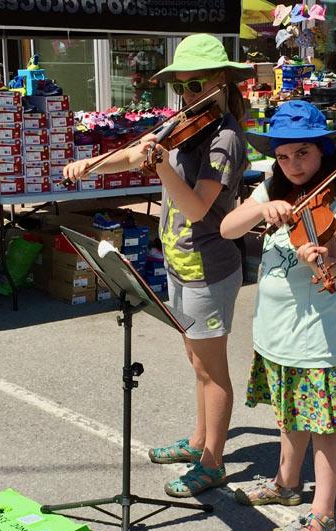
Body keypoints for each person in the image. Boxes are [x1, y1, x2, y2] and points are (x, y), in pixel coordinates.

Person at [63, 34, 255, 497]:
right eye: (182, 86)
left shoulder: (225, 138)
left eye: (198, 84)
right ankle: (197, 440)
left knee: (213, 370)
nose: (188, 95)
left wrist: (163, 167)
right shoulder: (186, 123)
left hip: (208, 267)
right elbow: (135, 153)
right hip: (179, 262)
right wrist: (91, 165)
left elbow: (195, 208)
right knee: (195, 360)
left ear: (222, 81)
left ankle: (213, 462)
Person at [220, 101, 336, 531]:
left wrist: (319, 258)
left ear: (322, 152)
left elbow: (335, 268)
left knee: (324, 426)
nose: (293, 164)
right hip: (274, 329)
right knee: (289, 414)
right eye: (283, 156)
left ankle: (324, 513)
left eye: (303, 153)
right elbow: (226, 227)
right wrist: (265, 209)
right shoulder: (270, 190)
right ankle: (285, 482)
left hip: (315, 335)